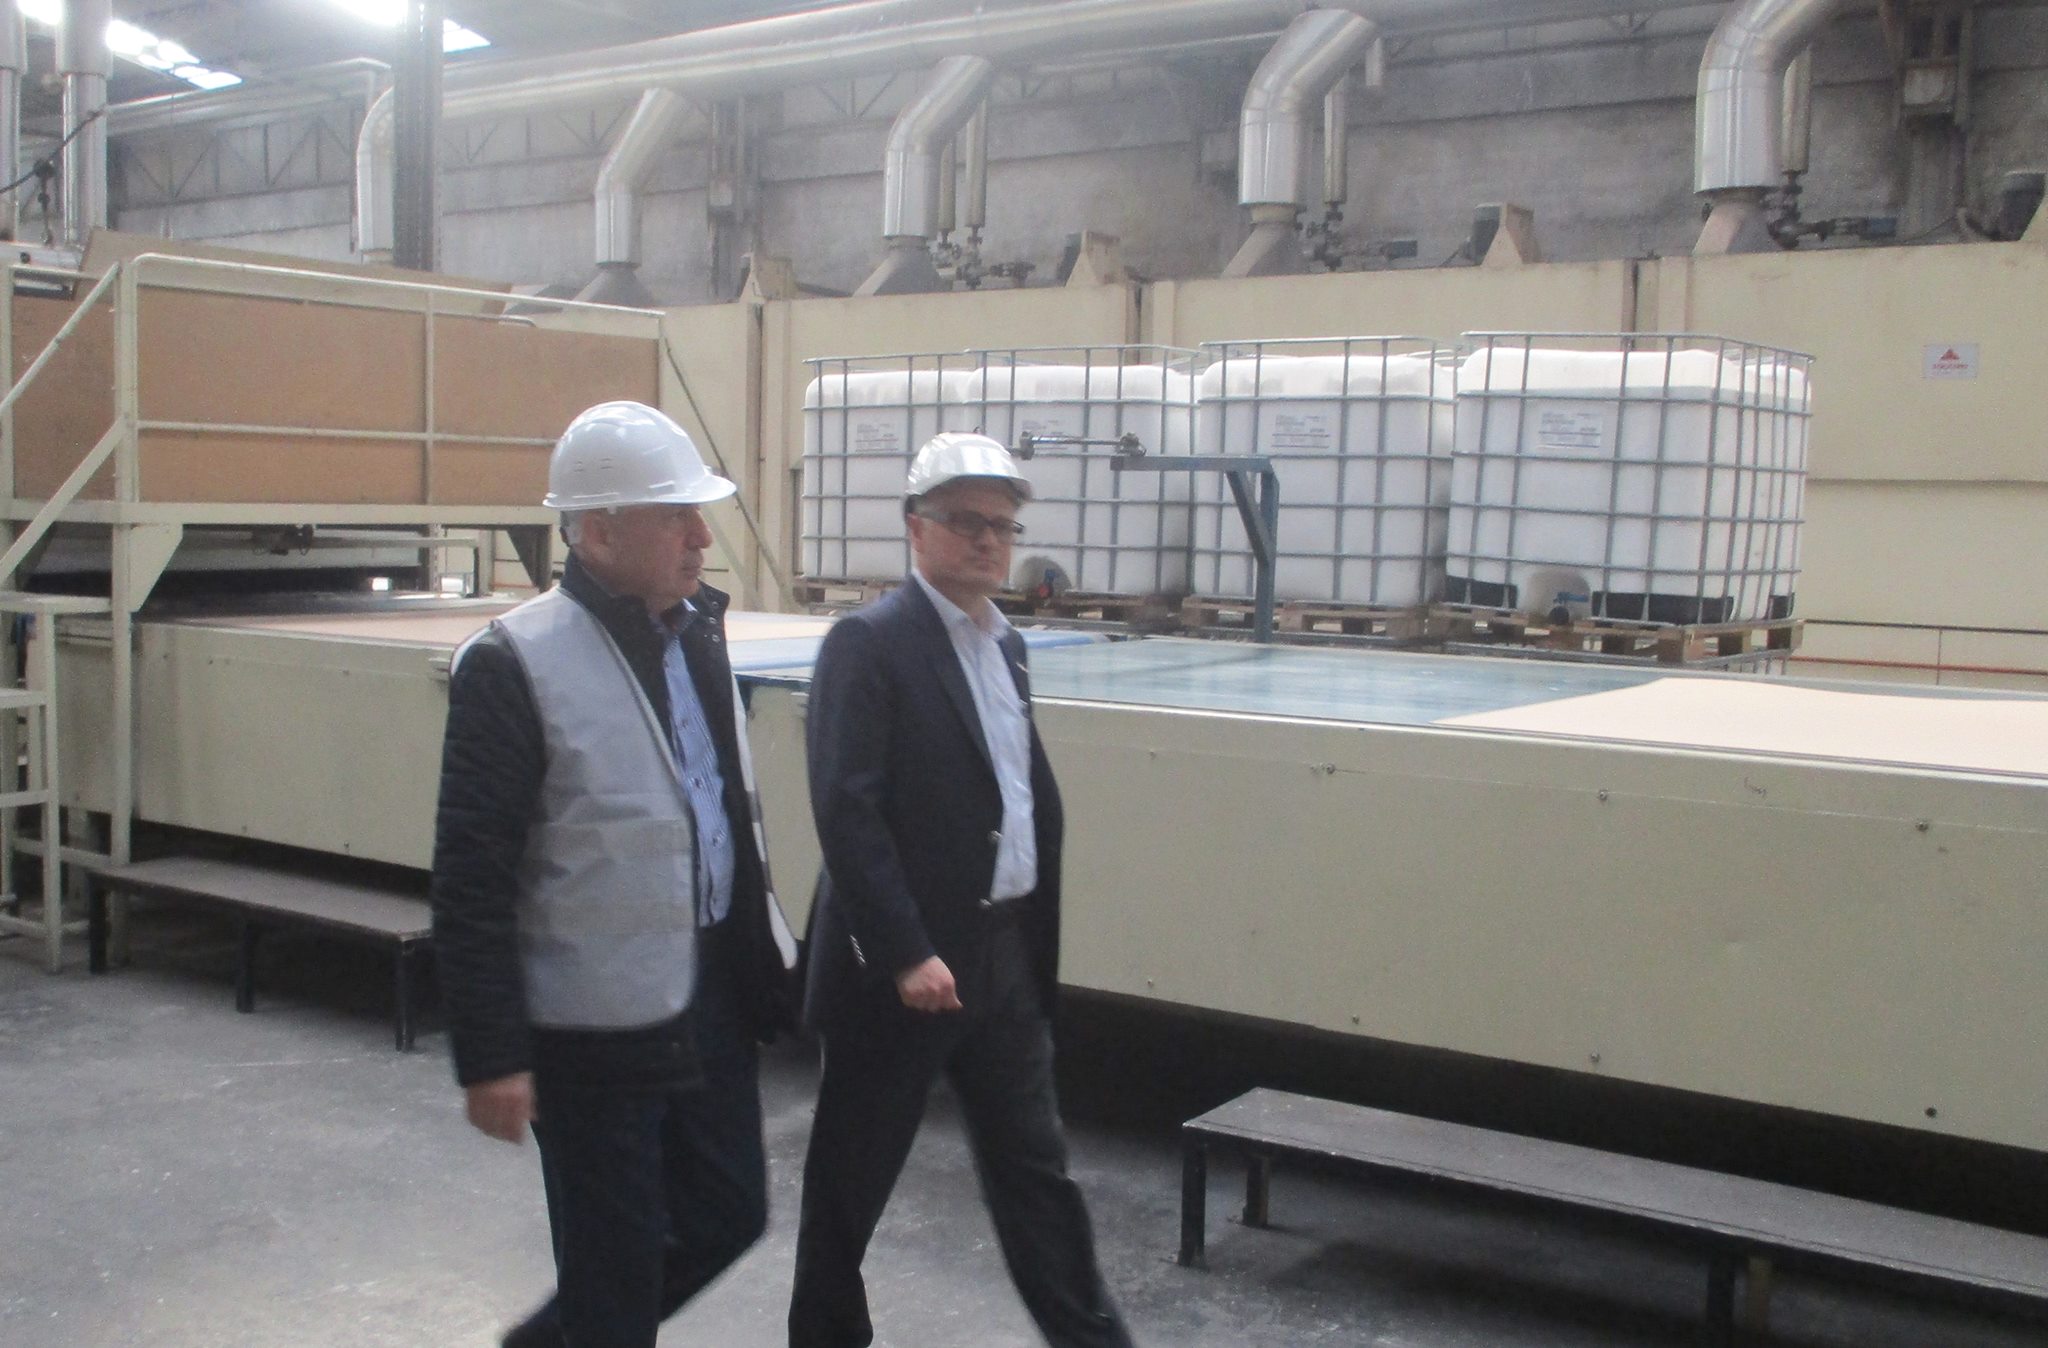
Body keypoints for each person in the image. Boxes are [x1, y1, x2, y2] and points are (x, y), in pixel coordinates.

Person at [430, 400, 797, 1348]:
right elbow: (471, 877)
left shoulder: (697, 635)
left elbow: (718, 815)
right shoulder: (515, 664)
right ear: (598, 532)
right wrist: (493, 1053)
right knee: (616, 1270)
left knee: (729, 1214)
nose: (701, 537)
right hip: (590, 1032)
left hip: (707, 997)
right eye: (676, 516)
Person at [788, 432, 1135, 1348]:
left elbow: (1008, 789)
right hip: (904, 972)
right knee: (849, 1189)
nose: (988, 540)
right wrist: (905, 952)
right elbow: (847, 810)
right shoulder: (870, 643)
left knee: (1037, 1177)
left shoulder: (1005, 645)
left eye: (1003, 525)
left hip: (1000, 957)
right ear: (917, 528)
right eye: (966, 521)